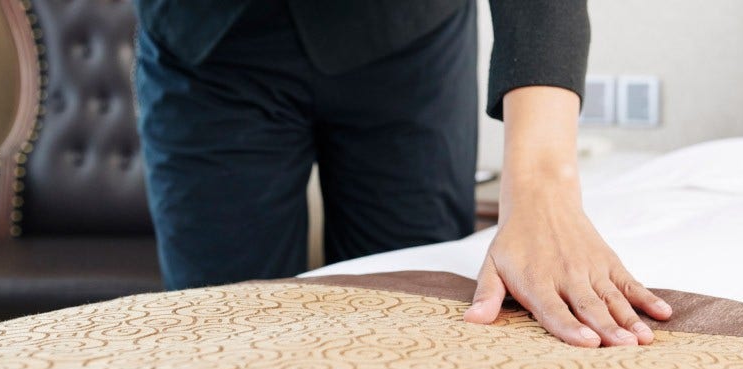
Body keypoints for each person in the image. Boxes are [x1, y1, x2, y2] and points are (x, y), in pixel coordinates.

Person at [133, 0, 672, 347]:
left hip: (406, 38)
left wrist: (542, 188)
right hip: (206, 42)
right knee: (220, 333)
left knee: (416, 327)